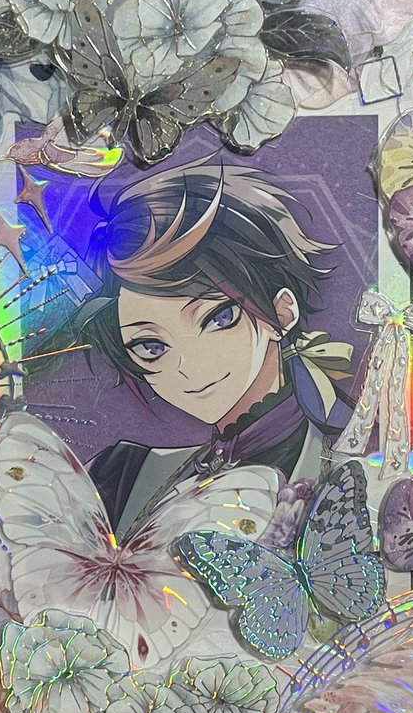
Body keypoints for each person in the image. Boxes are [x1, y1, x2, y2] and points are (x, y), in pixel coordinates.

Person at [77, 160, 355, 542]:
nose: (189, 368)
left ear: (281, 312)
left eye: (218, 318)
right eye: (152, 346)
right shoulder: (121, 479)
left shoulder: (350, 475)